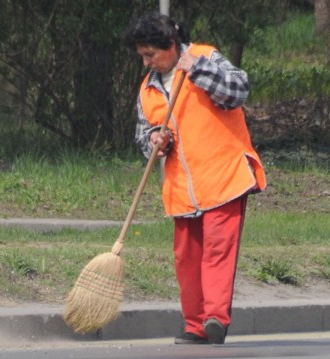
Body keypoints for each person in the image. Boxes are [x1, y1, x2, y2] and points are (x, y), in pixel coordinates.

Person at [123, 13, 266, 345]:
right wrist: (157, 140)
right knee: (186, 259)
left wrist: (199, 70)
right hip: (182, 189)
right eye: (142, 56)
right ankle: (195, 325)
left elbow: (238, 90)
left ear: (170, 46)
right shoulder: (148, 89)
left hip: (224, 176)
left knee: (217, 250)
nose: (146, 62)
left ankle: (215, 318)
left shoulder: (206, 56)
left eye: (150, 55)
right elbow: (145, 135)